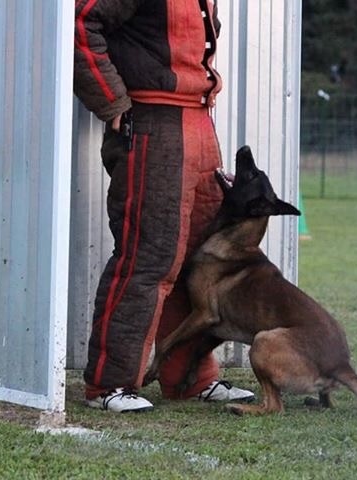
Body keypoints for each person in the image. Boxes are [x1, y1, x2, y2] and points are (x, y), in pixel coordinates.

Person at [74, 0, 255, 412]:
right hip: (156, 124)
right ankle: (108, 385)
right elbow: (82, 25)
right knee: (148, 257)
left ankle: (190, 378)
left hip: (198, 123)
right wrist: (113, 103)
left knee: (194, 260)